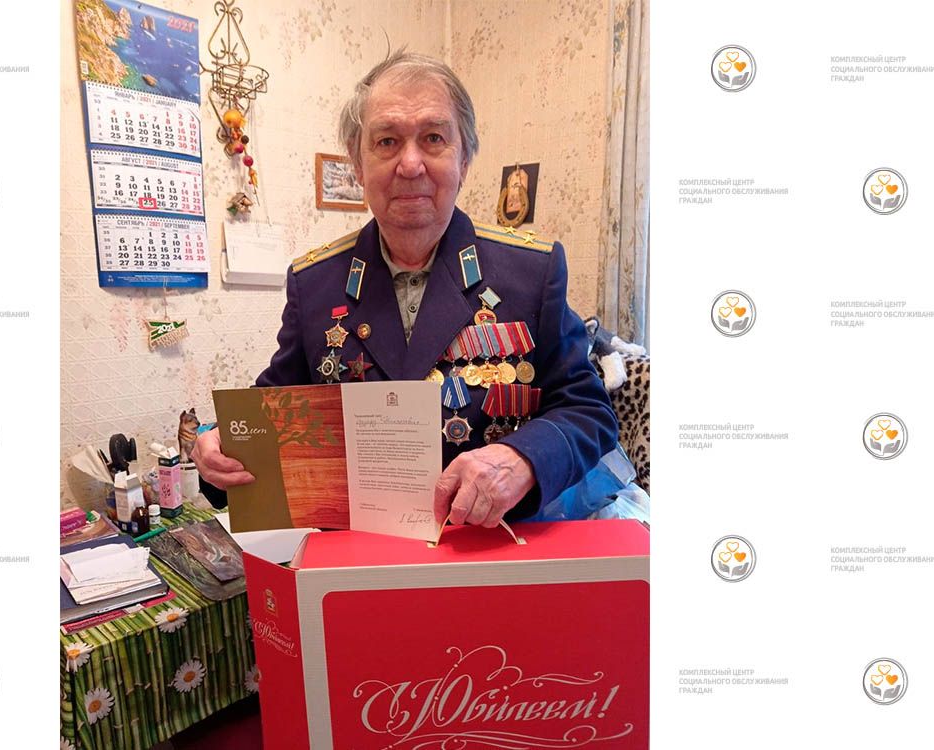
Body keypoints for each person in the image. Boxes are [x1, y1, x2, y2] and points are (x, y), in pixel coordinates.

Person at [194, 51, 620, 528]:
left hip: (491, 545)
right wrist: (216, 445)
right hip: (360, 552)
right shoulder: (314, 283)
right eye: (387, 141)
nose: (411, 164)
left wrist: (523, 458)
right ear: (358, 163)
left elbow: (588, 411)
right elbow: (272, 413)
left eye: (433, 138)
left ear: (464, 157)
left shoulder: (532, 271)